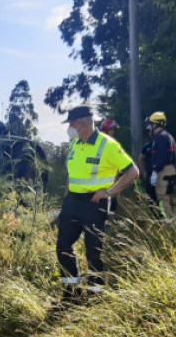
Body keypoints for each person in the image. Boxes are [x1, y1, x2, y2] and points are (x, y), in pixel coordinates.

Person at [57, 105, 139, 301]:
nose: (69, 127)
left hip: (94, 204)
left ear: (82, 124)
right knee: (63, 247)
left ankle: (95, 296)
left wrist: (109, 192)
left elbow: (133, 172)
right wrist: (67, 195)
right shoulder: (74, 144)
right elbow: (72, 173)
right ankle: (71, 293)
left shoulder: (108, 145)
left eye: (71, 123)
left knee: (94, 251)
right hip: (72, 203)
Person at [148, 111, 176, 220]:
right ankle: (172, 222)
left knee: (162, 199)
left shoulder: (160, 138)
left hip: (163, 171)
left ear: (155, 124)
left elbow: (160, 157)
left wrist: (155, 172)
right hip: (171, 170)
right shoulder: (168, 136)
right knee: (169, 199)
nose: (150, 127)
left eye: (151, 124)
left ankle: (169, 227)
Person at [100, 119, 121, 214]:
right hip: (103, 176)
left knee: (113, 198)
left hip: (113, 175)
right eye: (111, 129)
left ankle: (110, 219)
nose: (113, 131)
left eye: (113, 129)